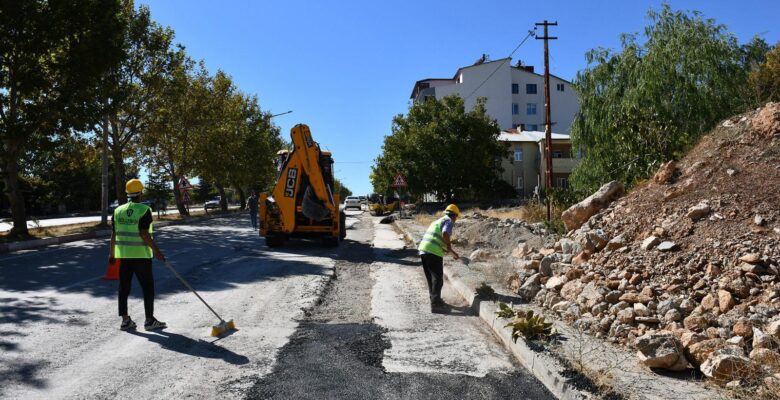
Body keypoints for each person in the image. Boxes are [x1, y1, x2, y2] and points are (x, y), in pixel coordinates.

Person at [109, 178, 167, 331]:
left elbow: (114, 234)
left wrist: (111, 253)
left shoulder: (117, 211)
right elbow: (144, 234)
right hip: (141, 256)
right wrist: (157, 252)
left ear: (127, 193)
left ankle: (125, 320)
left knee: (124, 288)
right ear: (141, 192)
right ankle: (149, 321)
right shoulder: (144, 210)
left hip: (125, 256)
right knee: (147, 287)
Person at [417, 204, 461, 313]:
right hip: (433, 252)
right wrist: (450, 248)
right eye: (456, 217)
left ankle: (435, 300)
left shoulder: (437, 221)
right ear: (454, 215)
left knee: (430, 278)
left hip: (423, 250)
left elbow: (437, 238)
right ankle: (436, 305)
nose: (455, 220)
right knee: (438, 278)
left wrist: (449, 250)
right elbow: (445, 233)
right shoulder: (448, 221)